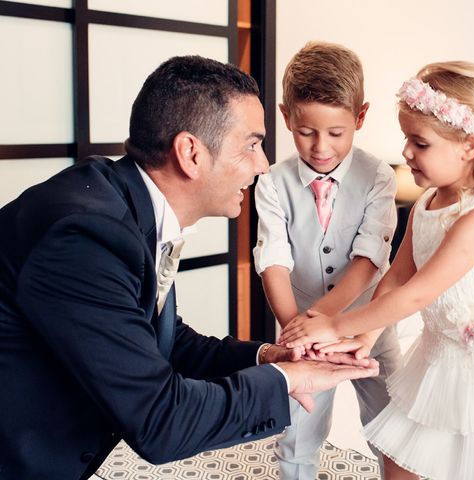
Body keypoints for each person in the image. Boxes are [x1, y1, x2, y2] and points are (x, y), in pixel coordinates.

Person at [0, 55, 381, 480]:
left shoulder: (123, 204)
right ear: (190, 153)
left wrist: (270, 356)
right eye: (252, 145)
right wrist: (286, 380)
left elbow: (165, 341)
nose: (263, 165)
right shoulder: (85, 240)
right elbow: (162, 422)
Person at [280, 61, 474, 479]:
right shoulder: (427, 203)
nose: (405, 152)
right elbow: (396, 278)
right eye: (406, 139)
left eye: (419, 143)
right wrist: (363, 339)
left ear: (470, 146)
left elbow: (416, 294)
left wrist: (335, 326)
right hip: (437, 360)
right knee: (399, 463)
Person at [253, 41, 401, 479]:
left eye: (336, 133)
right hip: (299, 325)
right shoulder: (272, 183)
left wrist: (328, 320)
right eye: (306, 131)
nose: (320, 147)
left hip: (370, 324)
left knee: (392, 426)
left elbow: (369, 259)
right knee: (298, 431)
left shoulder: (378, 176)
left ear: (360, 116)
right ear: (286, 117)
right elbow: (274, 260)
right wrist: (297, 331)